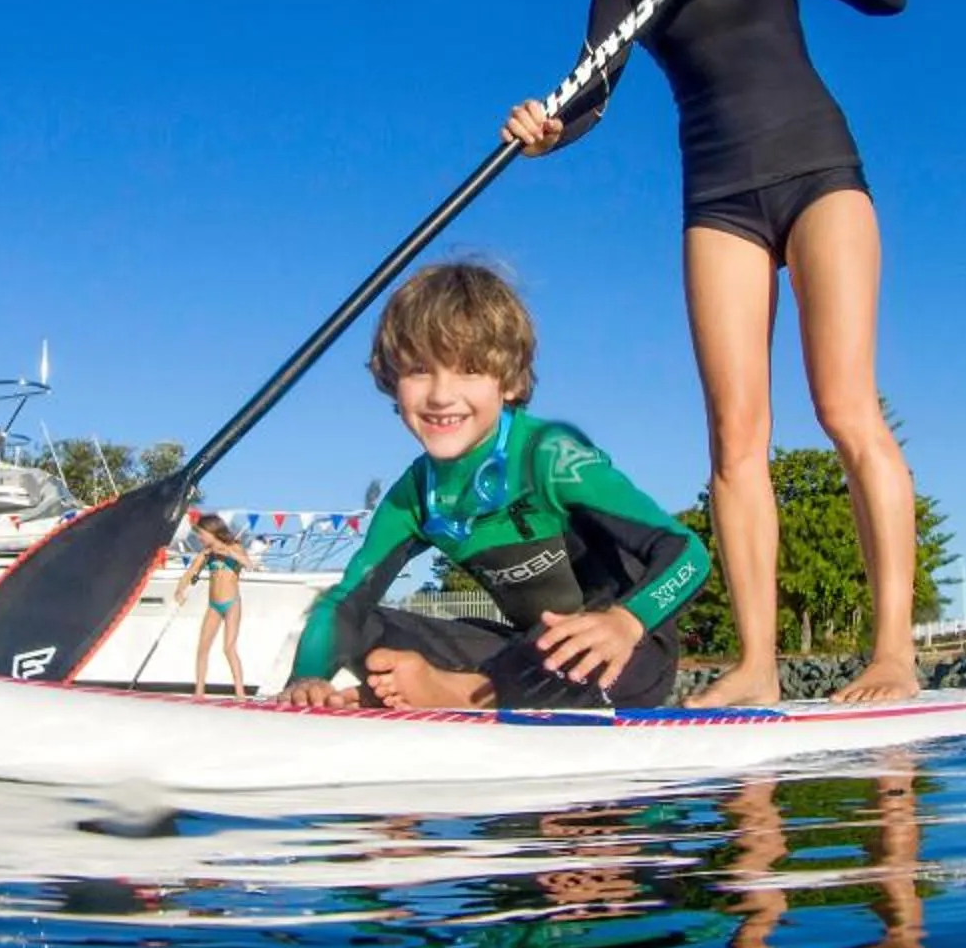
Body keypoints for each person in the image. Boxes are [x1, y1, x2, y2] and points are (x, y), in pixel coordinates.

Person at [504, 0, 917, 705]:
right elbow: (590, 93)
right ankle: (759, 665)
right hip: (717, 196)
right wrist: (547, 131)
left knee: (846, 406)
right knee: (736, 440)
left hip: (818, 172)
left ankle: (893, 654)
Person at [276, 262, 711, 711]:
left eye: (468, 370)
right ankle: (427, 690)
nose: (441, 395)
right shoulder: (415, 496)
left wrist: (627, 621)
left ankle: (457, 693)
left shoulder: (550, 457)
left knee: (573, 646)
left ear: (510, 382)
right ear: (392, 379)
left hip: (621, 653)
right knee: (363, 624)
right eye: (420, 370)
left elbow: (687, 553)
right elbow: (346, 600)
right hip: (523, 654)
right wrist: (306, 677)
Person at [176, 511, 251, 698]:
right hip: (214, 605)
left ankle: (240, 693)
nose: (199, 538)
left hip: (232, 604)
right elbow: (190, 572)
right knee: (202, 647)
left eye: (201, 534)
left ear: (211, 531)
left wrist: (225, 551)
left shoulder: (234, 547)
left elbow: (248, 564)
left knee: (228, 648)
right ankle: (199, 691)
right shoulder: (206, 554)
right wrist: (180, 590)